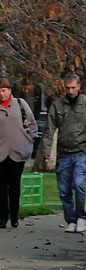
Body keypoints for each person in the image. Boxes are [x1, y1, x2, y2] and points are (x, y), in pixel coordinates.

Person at [41, 73, 86, 234]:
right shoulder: (57, 105)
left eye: (73, 87)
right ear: (64, 88)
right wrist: (47, 151)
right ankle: (71, 219)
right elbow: (49, 129)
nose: (71, 91)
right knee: (64, 189)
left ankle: (81, 217)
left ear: (79, 87)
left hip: (81, 152)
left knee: (78, 184)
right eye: (68, 88)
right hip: (64, 153)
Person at [0, 77, 38, 228]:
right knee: (1, 186)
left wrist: (29, 139)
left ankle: (14, 216)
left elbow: (32, 123)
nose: (1, 94)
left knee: (14, 184)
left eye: (3, 90)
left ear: (9, 90)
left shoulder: (20, 104)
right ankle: (2, 217)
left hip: (18, 151)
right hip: (1, 153)